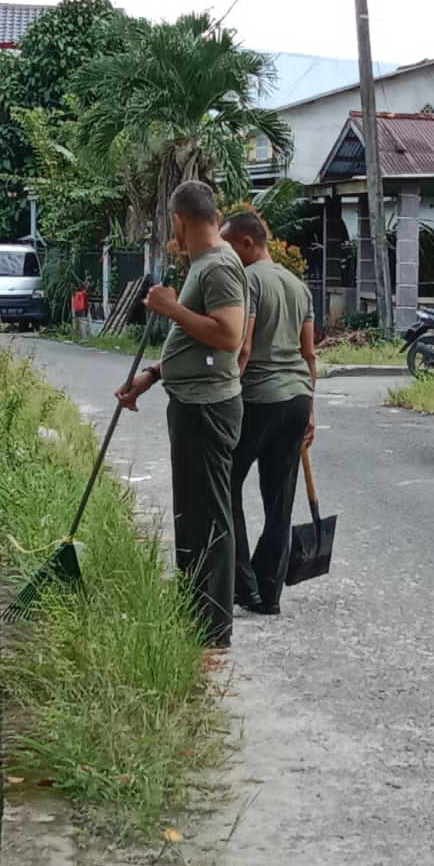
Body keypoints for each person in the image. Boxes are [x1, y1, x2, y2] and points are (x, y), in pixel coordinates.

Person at [115, 181, 247, 650]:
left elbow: (230, 337)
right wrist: (152, 375)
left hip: (208, 408)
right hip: (192, 400)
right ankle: (195, 612)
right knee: (192, 514)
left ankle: (212, 628)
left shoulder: (219, 266)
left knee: (209, 514)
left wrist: (170, 308)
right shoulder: (204, 265)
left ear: (178, 220)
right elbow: (197, 343)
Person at [221, 210, 317, 617]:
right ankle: (269, 592)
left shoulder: (247, 281)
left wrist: (225, 395)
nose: (225, 255)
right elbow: (309, 353)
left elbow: (242, 348)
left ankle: (243, 584)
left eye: (228, 246)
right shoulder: (298, 286)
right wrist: (311, 408)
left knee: (226, 484)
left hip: (259, 397)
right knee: (280, 498)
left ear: (247, 243)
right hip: (297, 397)